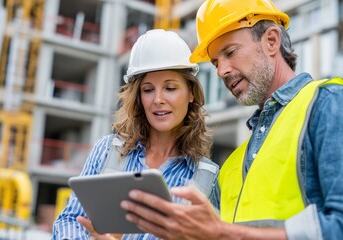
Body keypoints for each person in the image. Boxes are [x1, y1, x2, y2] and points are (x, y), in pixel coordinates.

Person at [120, 0, 343, 239]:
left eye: (230, 52)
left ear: (271, 41)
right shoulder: (231, 168)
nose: (221, 71)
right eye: (216, 62)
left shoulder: (327, 104)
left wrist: (223, 232)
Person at [51, 29, 220, 240]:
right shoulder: (107, 150)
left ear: (191, 94)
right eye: (148, 90)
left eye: (170, 88)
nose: (158, 99)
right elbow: (69, 221)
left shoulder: (207, 178)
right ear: (139, 97)